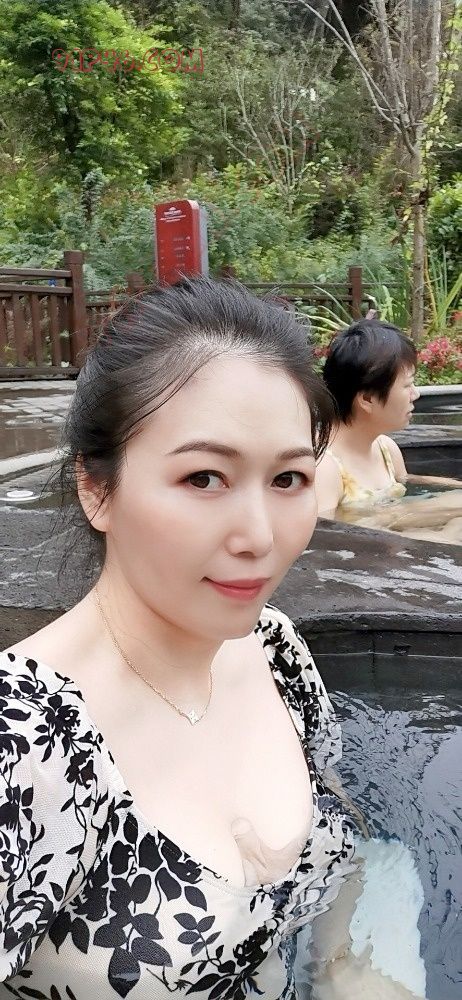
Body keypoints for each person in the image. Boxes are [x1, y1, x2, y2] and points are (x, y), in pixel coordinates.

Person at [0, 278, 425, 999]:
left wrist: (348, 969)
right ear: (96, 489)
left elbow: (340, 844)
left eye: (288, 478)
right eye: (204, 477)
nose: (259, 537)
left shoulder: (276, 651)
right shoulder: (26, 743)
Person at [315, 319, 462, 526]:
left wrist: (453, 486)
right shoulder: (324, 469)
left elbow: (405, 480)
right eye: (408, 385)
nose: (415, 394)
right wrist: (429, 509)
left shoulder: (386, 449)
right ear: (367, 399)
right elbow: (324, 535)